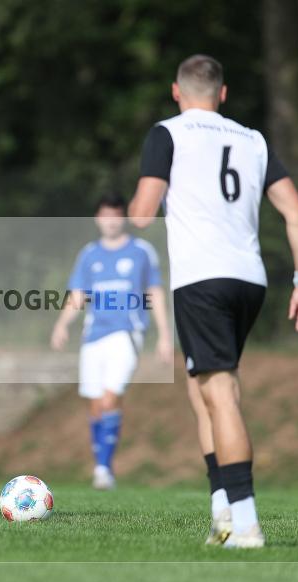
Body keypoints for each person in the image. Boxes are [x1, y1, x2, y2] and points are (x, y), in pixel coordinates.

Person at [129, 54, 298, 548]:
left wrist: (135, 210)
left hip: (202, 279)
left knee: (220, 393)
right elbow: (297, 211)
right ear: (223, 93)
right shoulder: (253, 139)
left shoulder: (167, 133)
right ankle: (222, 514)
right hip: (249, 280)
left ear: (177, 92)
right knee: (203, 390)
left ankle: (246, 523)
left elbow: (143, 214)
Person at [51, 193, 173, 490]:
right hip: (93, 336)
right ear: (97, 218)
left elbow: (155, 293)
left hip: (126, 334)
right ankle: (101, 467)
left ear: (124, 218)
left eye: (116, 215)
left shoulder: (141, 252)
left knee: (109, 398)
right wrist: (62, 324)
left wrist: (164, 335)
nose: (111, 221)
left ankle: (104, 469)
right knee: (95, 405)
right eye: (106, 215)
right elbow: (78, 294)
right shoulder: (89, 254)